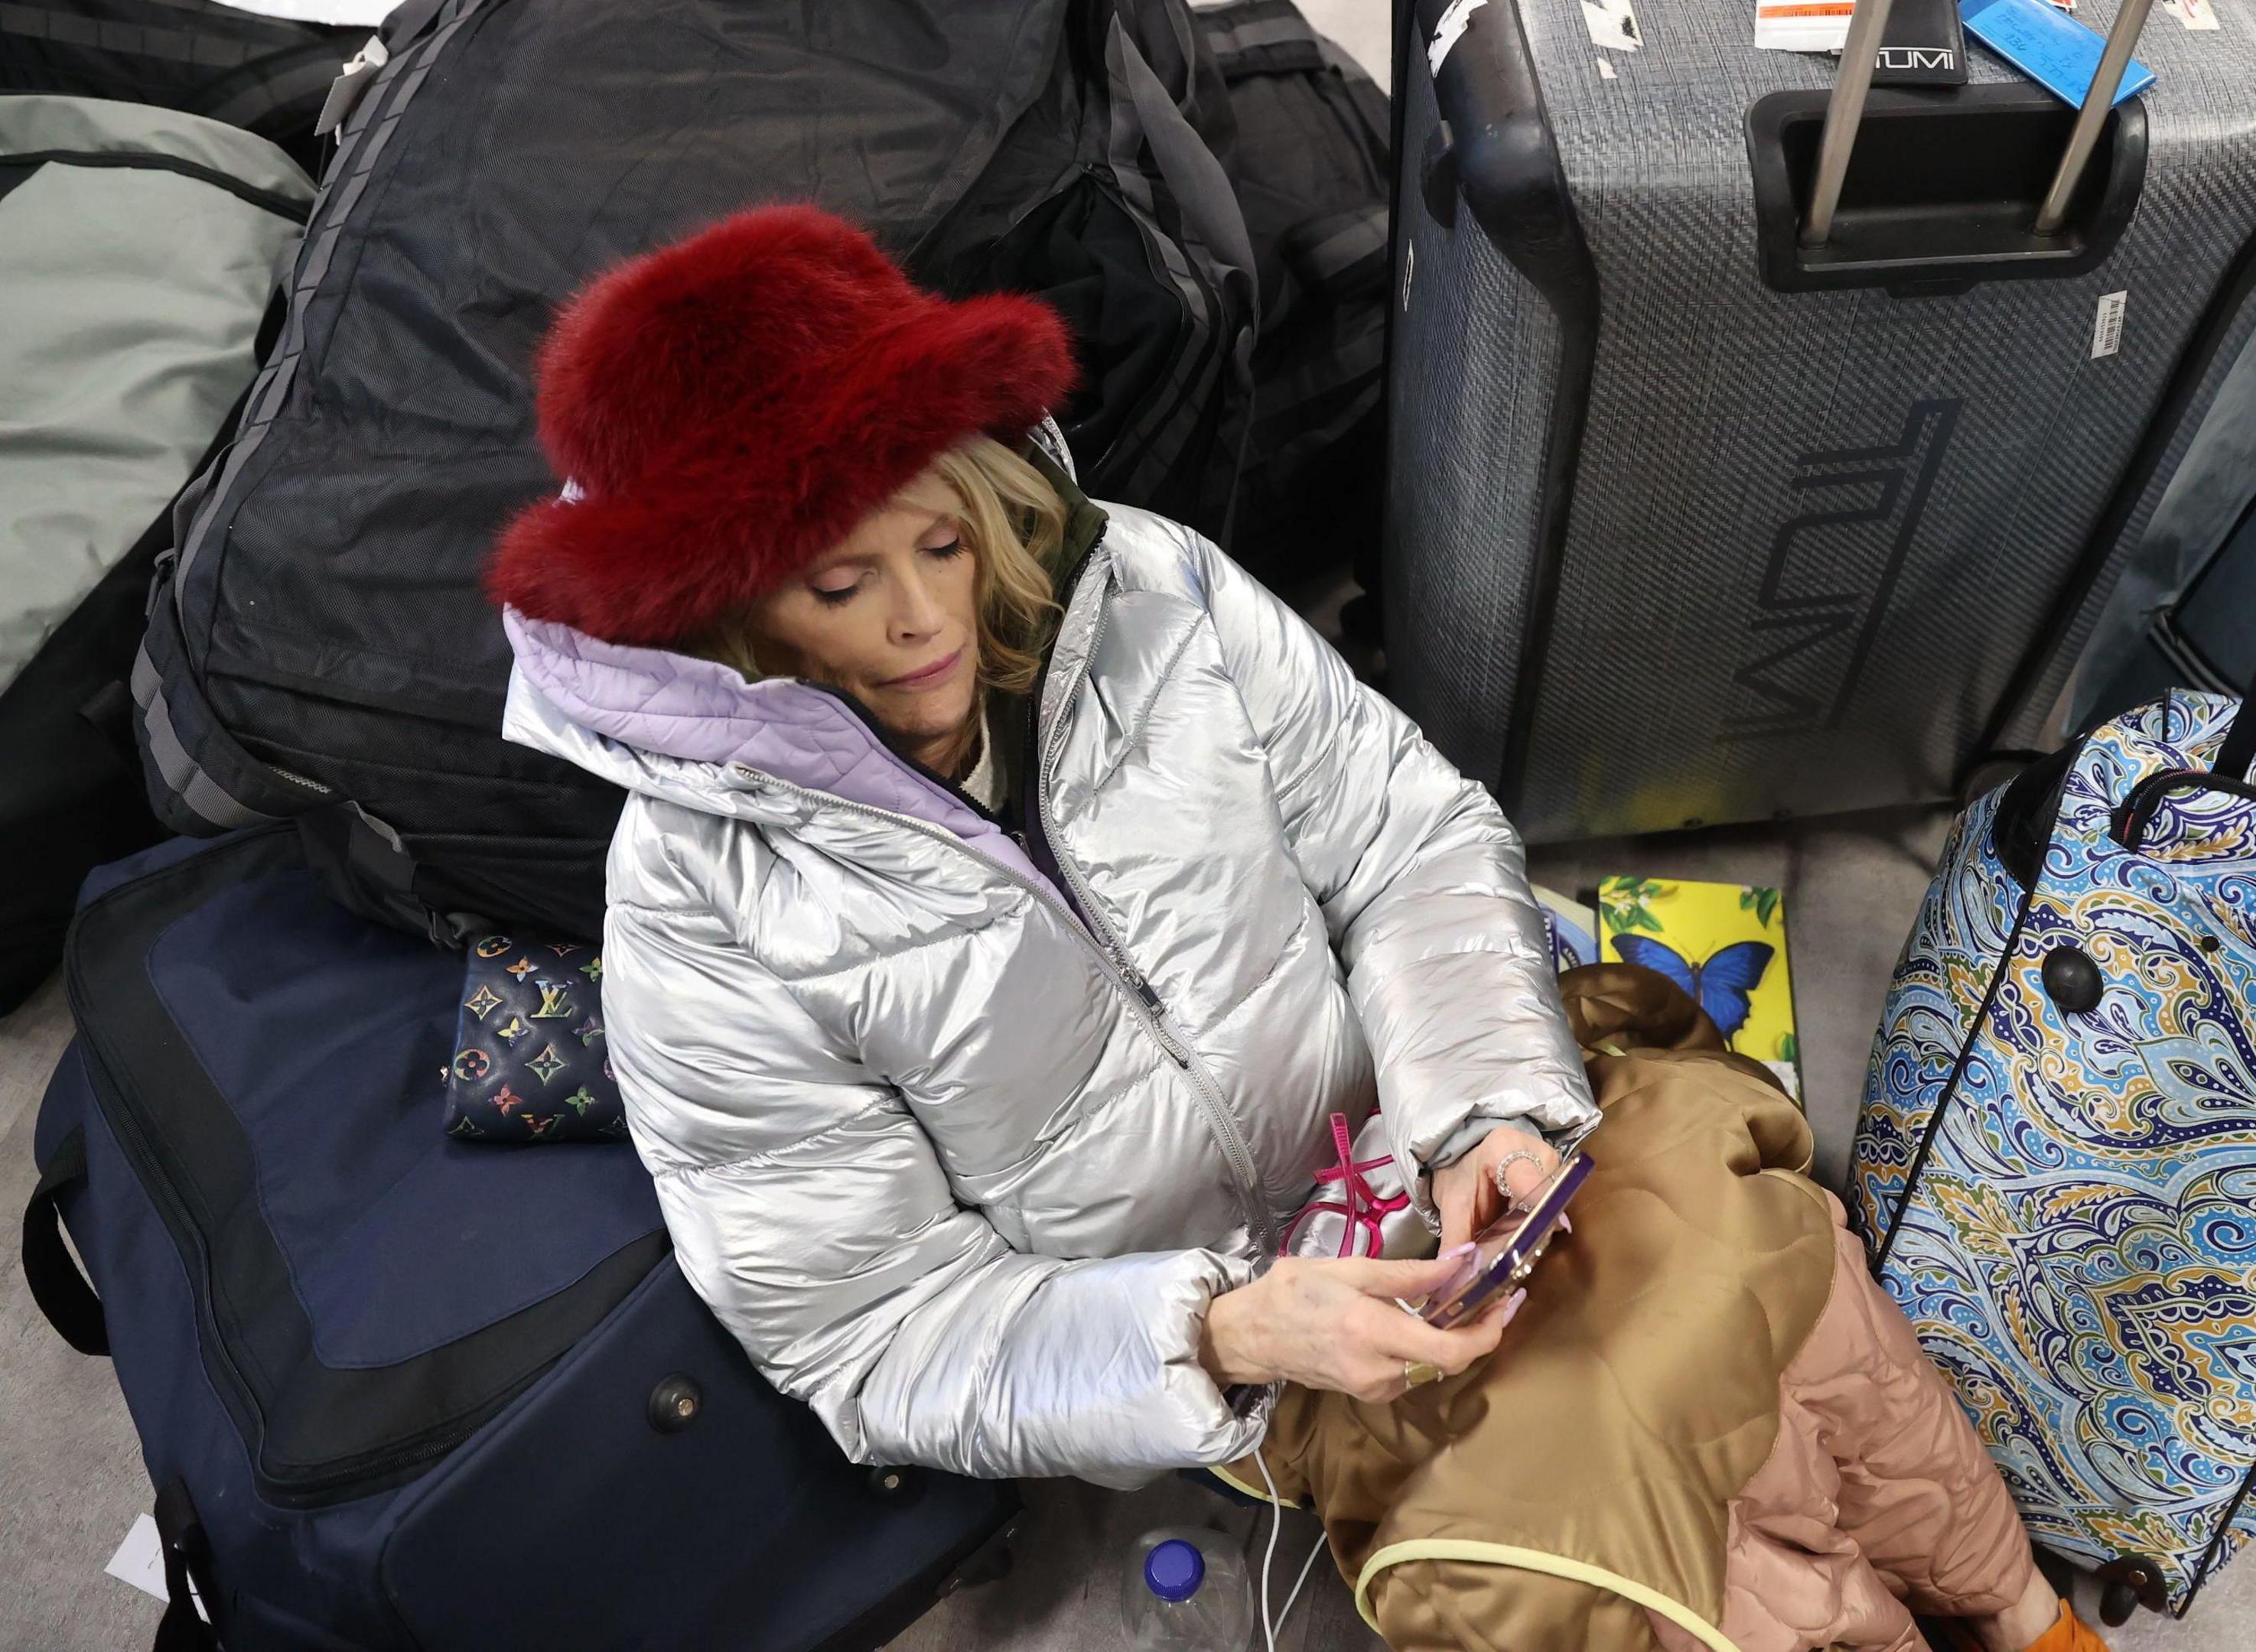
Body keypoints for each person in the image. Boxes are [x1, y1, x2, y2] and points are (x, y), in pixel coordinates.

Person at [488, 204, 2101, 1652]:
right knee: (1597, 1567)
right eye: (840, 583)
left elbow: (1405, 842)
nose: (926, 620)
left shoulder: (1157, 597)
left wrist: (1480, 1109)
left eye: (945, 540)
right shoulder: (698, 922)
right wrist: (1223, 1328)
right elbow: (871, 1332)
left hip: (1436, 1138)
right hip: (1261, 1331)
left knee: (1761, 1263)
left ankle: (2023, 1615)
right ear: (720, 611)